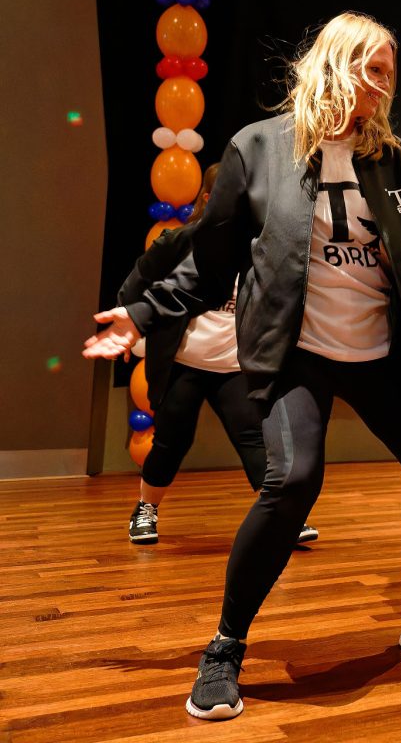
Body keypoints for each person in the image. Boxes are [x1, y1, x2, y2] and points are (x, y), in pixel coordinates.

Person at [84, 12, 401, 720]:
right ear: (337, 63)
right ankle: (225, 647)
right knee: (294, 480)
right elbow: (212, 262)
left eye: (391, 72)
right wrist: (143, 314)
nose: (385, 84)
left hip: (380, 354)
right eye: (375, 68)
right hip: (296, 353)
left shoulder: (397, 161)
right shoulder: (260, 149)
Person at [120, 165, 317, 546]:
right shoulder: (179, 243)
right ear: (210, 199)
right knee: (171, 441)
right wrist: (126, 328)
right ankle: (145, 509)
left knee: (254, 438)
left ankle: (283, 517)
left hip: (232, 366)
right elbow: (136, 282)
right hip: (183, 364)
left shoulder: (259, 249)